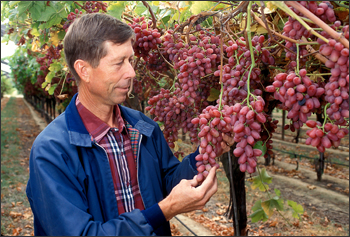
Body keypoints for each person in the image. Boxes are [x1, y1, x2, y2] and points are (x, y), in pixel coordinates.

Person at [26, 13, 234, 236]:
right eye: (118, 63)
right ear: (84, 70)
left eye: (130, 61)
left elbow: (166, 181)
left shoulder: (142, 126)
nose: (132, 73)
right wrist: (165, 210)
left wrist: (200, 156)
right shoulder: (51, 151)